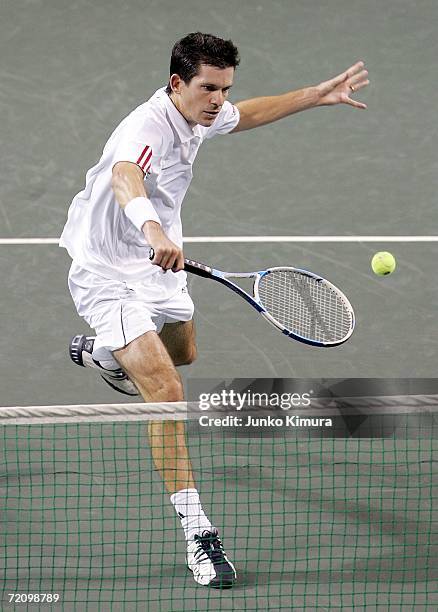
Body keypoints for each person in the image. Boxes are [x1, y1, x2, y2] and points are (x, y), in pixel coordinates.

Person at [60, 32, 369, 589]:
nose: (219, 101)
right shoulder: (147, 126)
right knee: (166, 392)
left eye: (225, 89)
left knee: (184, 352)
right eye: (209, 89)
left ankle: (103, 354)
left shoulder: (204, 114)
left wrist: (314, 95)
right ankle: (198, 532)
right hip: (107, 267)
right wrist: (152, 228)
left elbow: (245, 116)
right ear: (177, 83)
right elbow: (126, 174)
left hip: (157, 263)